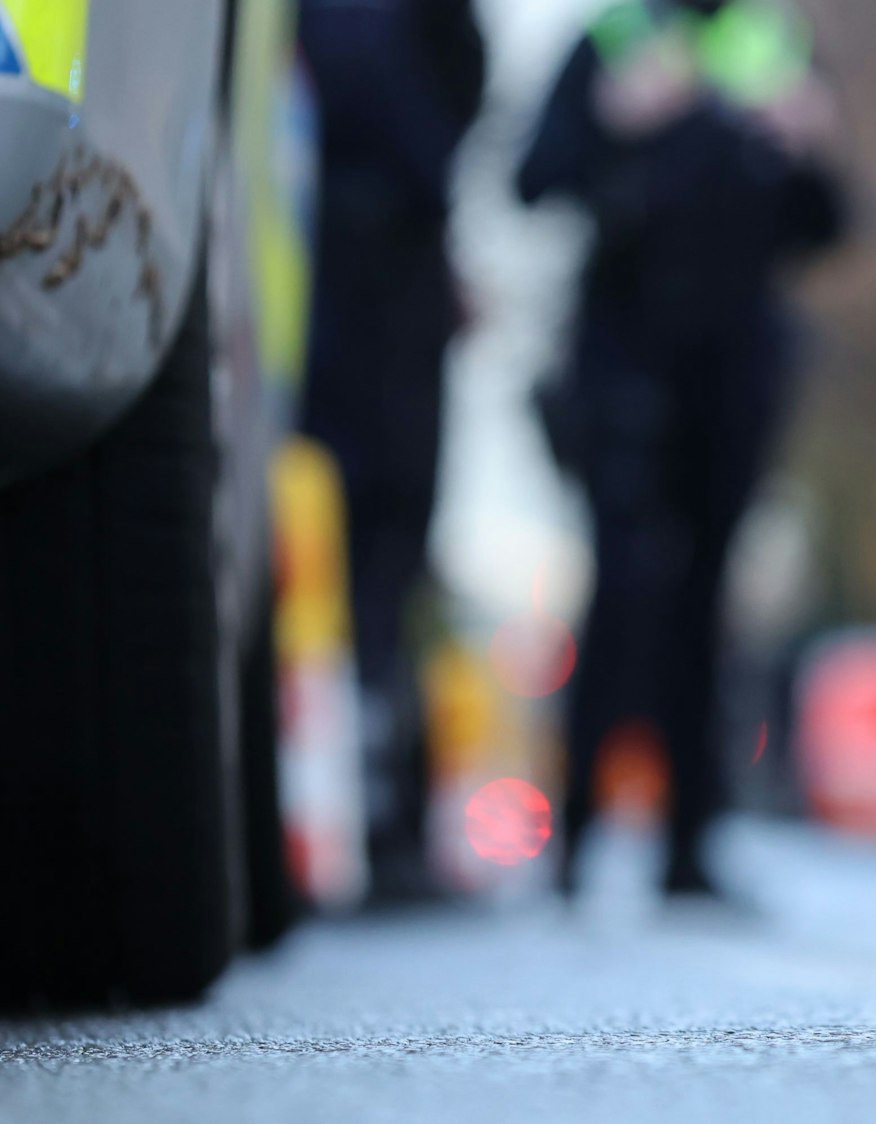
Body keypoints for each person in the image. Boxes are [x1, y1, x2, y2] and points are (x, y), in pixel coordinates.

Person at [517, 0, 843, 897]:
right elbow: (534, 179)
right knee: (624, 592)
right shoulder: (611, 43)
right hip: (624, 366)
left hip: (734, 373)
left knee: (706, 599)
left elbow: (824, 224)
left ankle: (689, 845)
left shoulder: (773, 50)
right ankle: (575, 835)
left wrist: (808, 145)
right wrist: (616, 125)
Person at [298, 0, 486, 901]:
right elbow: (429, 98)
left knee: (366, 572)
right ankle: (377, 823)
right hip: (367, 294)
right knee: (372, 566)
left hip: (353, 281)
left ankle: (374, 818)